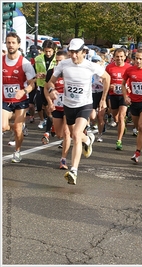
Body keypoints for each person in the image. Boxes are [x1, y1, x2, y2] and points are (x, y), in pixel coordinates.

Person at [47, 38, 111, 185]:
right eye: (71, 52)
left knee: (75, 135)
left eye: (76, 52)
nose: (73, 55)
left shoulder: (90, 66)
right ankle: (88, 139)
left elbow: (107, 77)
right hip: (68, 105)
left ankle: (74, 170)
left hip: (85, 105)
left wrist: (103, 99)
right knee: (75, 135)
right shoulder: (63, 64)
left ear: (84, 52)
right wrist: (51, 89)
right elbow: (51, 81)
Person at [2, 32, 37, 163]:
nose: (10, 45)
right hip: (5, 99)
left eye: (13, 43)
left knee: (17, 129)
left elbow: (32, 84)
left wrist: (23, 91)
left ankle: (17, 151)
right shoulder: (1, 60)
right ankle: (17, 125)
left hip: (21, 100)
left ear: (18, 44)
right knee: (3, 126)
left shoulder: (25, 63)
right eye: (8, 42)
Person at [122, 48, 142, 163]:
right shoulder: (130, 70)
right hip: (134, 103)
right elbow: (123, 84)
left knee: (140, 126)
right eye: (136, 58)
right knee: (138, 127)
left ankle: (137, 153)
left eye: (140, 59)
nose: (138, 61)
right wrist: (126, 96)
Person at [43, 50, 71, 169]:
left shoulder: (71, 72)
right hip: (57, 106)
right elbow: (46, 87)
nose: (58, 63)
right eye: (57, 61)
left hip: (69, 106)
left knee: (66, 133)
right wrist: (50, 102)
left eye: (61, 61)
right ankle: (86, 137)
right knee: (59, 134)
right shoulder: (51, 72)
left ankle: (63, 160)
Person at [105, 48, 132, 150]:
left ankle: (119, 140)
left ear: (125, 57)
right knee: (116, 118)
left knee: (121, 116)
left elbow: (133, 80)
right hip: (113, 95)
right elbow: (105, 80)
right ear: (114, 57)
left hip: (125, 95)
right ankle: (122, 125)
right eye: (117, 56)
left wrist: (129, 88)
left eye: (121, 56)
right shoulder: (109, 67)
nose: (119, 59)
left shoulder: (129, 67)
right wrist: (110, 85)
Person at [34, 39, 58, 130]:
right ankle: (49, 121)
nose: (48, 53)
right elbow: (33, 71)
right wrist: (37, 75)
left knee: (54, 105)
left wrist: (49, 75)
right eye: (46, 51)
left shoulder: (58, 59)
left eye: (50, 51)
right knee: (45, 106)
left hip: (55, 86)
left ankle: (54, 122)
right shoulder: (38, 59)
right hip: (42, 84)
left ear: (54, 50)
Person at [89, 54, 107, 142]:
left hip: (101, 94)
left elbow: (107, 83)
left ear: (100, 63)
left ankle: (100, 135)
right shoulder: (89, 71)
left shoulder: (103, 72)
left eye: (97, 61)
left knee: (100, 116)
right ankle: (93, 125)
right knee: (92, 116)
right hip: (92, 94)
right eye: (93, 61)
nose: (95, 63)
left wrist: (102, 82)